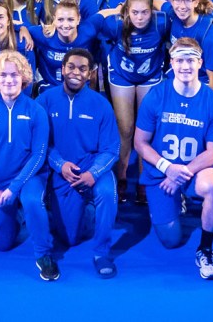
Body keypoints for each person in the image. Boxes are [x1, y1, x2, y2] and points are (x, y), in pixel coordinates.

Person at [134, 38, 213, 279]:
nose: (185, 66)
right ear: (171, 63)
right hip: (161, 173)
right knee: (170, 241)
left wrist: (181, 173)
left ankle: (206, 249)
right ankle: (176, 202)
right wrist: (168, 168)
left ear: (200, 63)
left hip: (193, 171)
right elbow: (140, 143)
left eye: (190, 60)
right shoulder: (156, 95)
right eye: (180, 60)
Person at [0, 51, 57, 280]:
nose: (9, 80)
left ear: (24, 78)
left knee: (30, 200)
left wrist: (13, 188)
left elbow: (39, 155)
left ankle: (43, 254)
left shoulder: (36, 110)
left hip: (29, 178)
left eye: (14, 75)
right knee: (3, 244)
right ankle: (16, 216)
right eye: (4, 75)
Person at [38, 49, 121, 278]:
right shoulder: (44, 100)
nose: (76, 72)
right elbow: (40, 144)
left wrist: (93, 173)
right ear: (62, 69)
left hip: (92, 170)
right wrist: (60, 165)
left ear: (91, 73)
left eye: (83, 68)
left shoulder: (101, 104)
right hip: (61, 172)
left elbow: (111, 149)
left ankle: (101, 252)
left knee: (106, 191)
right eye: (71, 67)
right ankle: (83, 211)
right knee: (70, 238)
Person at [95, 0, 169, 203]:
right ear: (126, 12)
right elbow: (92, 22)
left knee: (146, 129)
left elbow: (176, 9)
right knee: (125, 129)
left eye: (144, 12)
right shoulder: (115, 24)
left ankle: (145, 181)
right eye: (134, 12)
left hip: (151, 75)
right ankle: (121, 177)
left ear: (152, 12)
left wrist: (157, 0)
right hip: (122, 76)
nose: (139, 17)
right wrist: (114, 10)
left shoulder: (162, 22)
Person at [166, 0, 213, 91]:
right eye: (178, 0)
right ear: (172, 1)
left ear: (196, 2)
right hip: (176, 78)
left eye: (188, 0)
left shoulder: (209, 33)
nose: (182, 6)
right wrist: (124, 6)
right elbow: (155, 1)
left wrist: (212, 105)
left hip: (202, 82)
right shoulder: (172, 13)